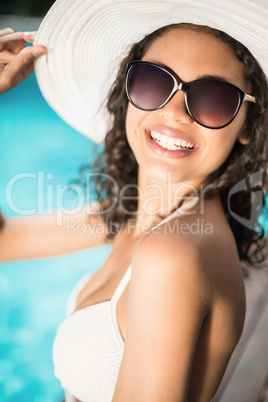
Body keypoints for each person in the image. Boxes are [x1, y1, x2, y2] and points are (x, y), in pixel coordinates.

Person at [1, 0, 268, 401]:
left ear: (248, 125)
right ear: (127, 92)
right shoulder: (140, 216)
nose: (174, 112)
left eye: (214, 97)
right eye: (154, 82)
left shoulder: (171, 254)